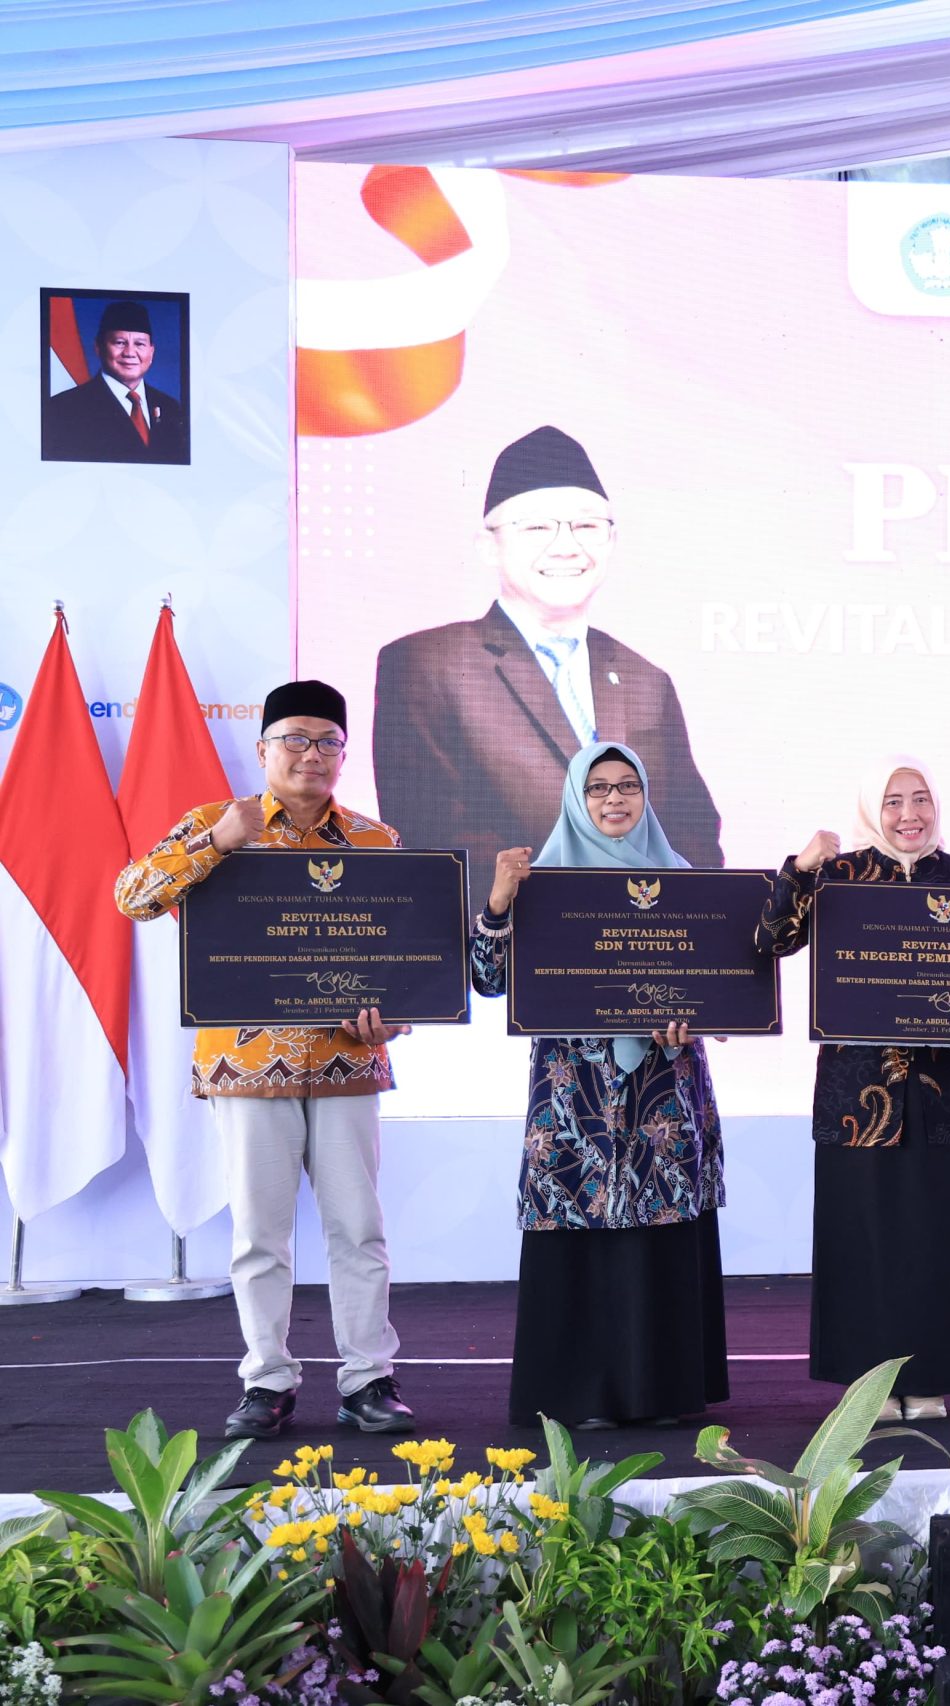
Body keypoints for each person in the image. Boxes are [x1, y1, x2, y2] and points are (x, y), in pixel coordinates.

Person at [114, 680, 413, 1440]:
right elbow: (132, 896)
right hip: (248, 1067)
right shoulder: (216, 824)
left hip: (348, 1061)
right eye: (296, 739)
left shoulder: (376, 840)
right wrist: (216, 844)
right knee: (258, 1234)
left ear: (343, 753)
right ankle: (266, 1381)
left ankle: (369, 1380)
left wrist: (401, 1011)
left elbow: (406, 954)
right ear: (263, 749)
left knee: (359, 1229)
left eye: (328, 742)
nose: (313, 754)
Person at [756, 759, 950, 1422]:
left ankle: (929, 1378)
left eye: (920, 800)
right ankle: (868, 1388)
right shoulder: (837, 876)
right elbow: (771, 940)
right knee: (864, 1241)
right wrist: (799, 868)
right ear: (871, 810)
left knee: (937, 1239)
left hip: (944, 1097)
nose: (909, 815)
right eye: (892, 802)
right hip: (858, 1101)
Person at [471, 742, 728, 1429]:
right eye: (598, 788)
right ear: (576, 800)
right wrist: (498, 903)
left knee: (659, 1235)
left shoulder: (682, 880)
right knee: (577, 1236)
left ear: (645, 796)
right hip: (574, 1096)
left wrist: (700, 1018)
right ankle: (577, 1396)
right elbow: (488, 980)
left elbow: (718, 986)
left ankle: (661, 1394)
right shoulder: (543, 882)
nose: (614, 799)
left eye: (627, 786)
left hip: (661, 1089)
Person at [372, 426, 723, 883]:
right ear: (488, 546)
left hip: (638, 922)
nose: (565, 547)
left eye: (586, 526)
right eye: (537, 527)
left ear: (612, 541)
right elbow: (432, 831)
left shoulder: (645, 679)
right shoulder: (428, 664)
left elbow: (694, 830)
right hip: (507, 921)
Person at [41, 299, 189, 464]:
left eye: (139, 344)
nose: (130, 353)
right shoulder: (63, 409)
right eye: (120, 343)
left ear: (151, 352)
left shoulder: (171, 408)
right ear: (99, 348)